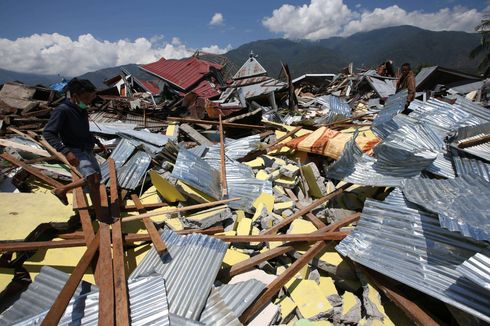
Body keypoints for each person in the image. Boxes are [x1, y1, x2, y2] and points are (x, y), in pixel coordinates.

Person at [43, 79, 107, 220]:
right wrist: (66, 151)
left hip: (87, 148)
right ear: (75, 95)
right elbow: (48, 133)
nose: (88, 101)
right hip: (75, 149)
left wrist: (96, 141)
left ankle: (62, 190)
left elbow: (84, 130)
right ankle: (101, 216)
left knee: (96, 180)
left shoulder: (81, 108)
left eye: (90, 98)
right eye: (85, 98)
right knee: (92, 180)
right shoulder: (62, 111)